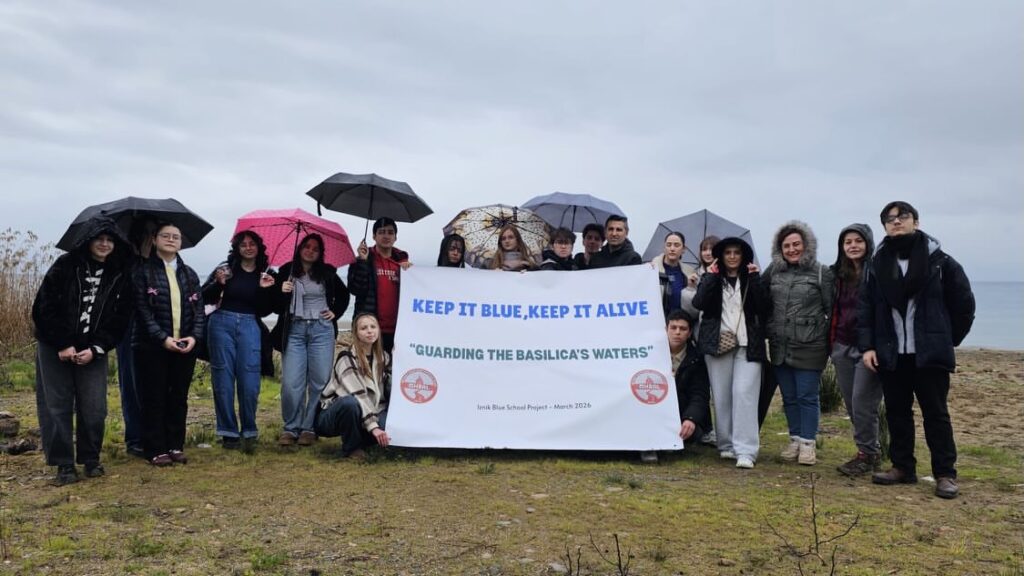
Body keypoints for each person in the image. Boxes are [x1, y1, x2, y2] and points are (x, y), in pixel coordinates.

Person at [859, 201, 975, 499]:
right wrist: (868, 346)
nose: (896, 222)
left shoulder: (942, 262)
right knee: (897, 412)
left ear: (916, 222)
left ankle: (945, 474)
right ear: (885, 227)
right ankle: (902, 467)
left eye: (902, 216)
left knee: (936, 414)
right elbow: (866, 308)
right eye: (889, 219)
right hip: (891, 353)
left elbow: (964, 305)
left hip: (929, 354)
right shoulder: (876, 265)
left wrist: (946, 338)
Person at [32, 216, 133, 484]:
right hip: (54, 347)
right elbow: (43, 307)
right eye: (99, 238)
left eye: (109, 240)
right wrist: (63, 343)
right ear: (88, 240)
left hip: (93, 350)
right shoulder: (65, 265)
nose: (104, 244)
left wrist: (97, 347)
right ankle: (64, 464)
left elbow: (120, 318)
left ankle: (90, 458)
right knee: (56, 406)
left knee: (94, 407)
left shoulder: (120, 273)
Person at [132, 223, 205, 467]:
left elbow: (199, 311)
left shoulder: (190, 274)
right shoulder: (143, 272)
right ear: (154, 239)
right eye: (166, 236)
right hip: (152, 346)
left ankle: (175, 445)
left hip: (184, 345)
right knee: (154, 397)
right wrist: (163, 338)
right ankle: (155, 448)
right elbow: (142, 311)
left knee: (178, 397)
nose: (171, 240)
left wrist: (194, 337)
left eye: (176, 237)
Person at [692, 237, 769, 469]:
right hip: (718, 344)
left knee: (744, 393)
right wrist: (710, 277)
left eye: (737, 252)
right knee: (721, 395)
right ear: (721, 256)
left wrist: (755, 279)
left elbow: (765, 306)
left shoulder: (752, 277)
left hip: (748, 344)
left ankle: (746, 450)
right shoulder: (712, 278)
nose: (732, 257)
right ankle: (725, 444)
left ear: (743, 256)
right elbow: (699, 302)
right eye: (728, 253)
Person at [763, 221, 833, 466]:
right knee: (789, 397)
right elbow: (760, 297)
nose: (792, 249)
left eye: (796, 244)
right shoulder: (773, 271)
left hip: (810, 346)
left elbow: (831, 309)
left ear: (806, 245)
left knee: (807, 396)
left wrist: (825, 338)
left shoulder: (822, 272)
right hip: (780, 345)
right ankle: (794, 439)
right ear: (779, 248)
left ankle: (808, 443)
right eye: (786, 246)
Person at [272, 233, 350, 448]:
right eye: (307, 246)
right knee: (291, 383)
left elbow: (344, 295)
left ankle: (309, 427)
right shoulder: (286, 271)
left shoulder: (327, 272)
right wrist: (281, 291)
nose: (310, 251)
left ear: (320, 253)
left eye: (315, 249)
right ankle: (291, 428)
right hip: (294, 330)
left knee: (320, 381)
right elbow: (275, 306)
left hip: (321, 330)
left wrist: (335, 312)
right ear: (300, 248)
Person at [201, 231, 276, 451]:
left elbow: (266, 310)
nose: (248, 247)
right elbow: (204, 296)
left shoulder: (267, 273)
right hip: (221, 323)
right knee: (222, 379)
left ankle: (249, 430)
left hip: (250, 324)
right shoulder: (226, 268)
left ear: (259, 247)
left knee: (250, 381)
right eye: (243, 244)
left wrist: (264, 290)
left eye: (252, 244)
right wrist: (219, 284)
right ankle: (228, 433)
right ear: (237, 248)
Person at [829, 224, 884, 477]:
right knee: (852, 404)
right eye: (847, 242)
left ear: (868, 243)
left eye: (858, 241)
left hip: (869, 349)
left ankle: (868, 454)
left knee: (863, 402)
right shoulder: (836, 276)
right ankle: (868, 450)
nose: (853, 246)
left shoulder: (878, 272)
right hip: (841, 344)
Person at [314, 313, 392, 460]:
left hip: (372, 409)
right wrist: (374, 427)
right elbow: (358, 394)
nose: (369, 331)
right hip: (335, 413)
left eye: (373, 327)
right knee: (350, 403)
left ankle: (362, 438)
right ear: (356, 333)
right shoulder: (346, 358)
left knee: (390, 425)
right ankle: (352, 448)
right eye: (363, 328)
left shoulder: (384, 357)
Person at [117, 217, 157, 458]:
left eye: (155, 233)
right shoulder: (124, 261)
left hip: (157, 327)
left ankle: (155, 435)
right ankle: (135, 438)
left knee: (155, 383)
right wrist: (139, 259)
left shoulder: (161, 261)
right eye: (148, 233)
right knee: (131, 382)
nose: (151, 238)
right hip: (130, 326)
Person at [348, 217, 411, 353]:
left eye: (390, 232)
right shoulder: (362, 259)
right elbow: (355, 289)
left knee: (392, 365)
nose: (386, 236)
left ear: (395, 237)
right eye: (381, 232)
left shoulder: (402, 264)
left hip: (397, 328)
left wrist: (411, 272)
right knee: (369, 366)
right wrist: (362, 262)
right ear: (374, 236)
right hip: (370, 328)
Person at [666, 310, 712, 446]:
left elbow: (700, 395)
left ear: (690, 333)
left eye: (683, 329)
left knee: (694, 433)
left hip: (684, 413)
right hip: (658, 412)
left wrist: (690, 418)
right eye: (673, 328)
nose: (677, 332)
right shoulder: (652, 355)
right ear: (666, 329)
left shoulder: (697, 359)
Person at [650, 231, 698, 318]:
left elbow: (694, 306)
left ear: (684, 249)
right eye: (668, 245)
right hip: (657, 320)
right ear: (664, 248)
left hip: (680, 323)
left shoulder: (690, 272)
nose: (672, 248)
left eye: (676, 245)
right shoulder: (652, 269)